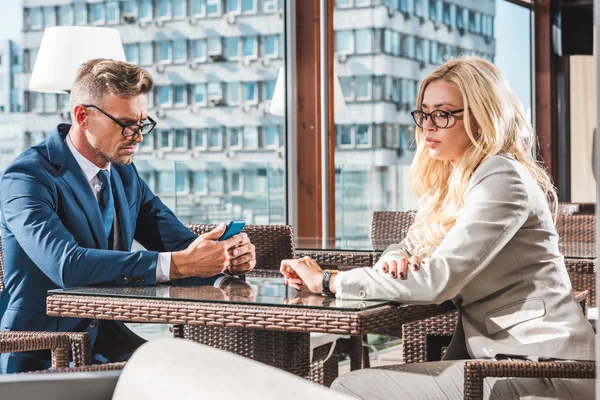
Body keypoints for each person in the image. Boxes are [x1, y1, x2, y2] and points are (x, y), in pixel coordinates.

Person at [280, 56, 595, 399]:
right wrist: (395, 258)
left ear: (481, 118)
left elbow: (437, 282)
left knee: (348, 387)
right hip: (501, 360)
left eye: (443, 114)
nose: (428, 125)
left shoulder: (501, 176)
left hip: (543, 368)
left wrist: (328, 280)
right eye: (424, 113)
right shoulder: (456, 182)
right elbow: (408, 244)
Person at [0, 59, 256, 373]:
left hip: (106, 341)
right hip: (41, 348)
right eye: (126, 124)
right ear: (83, 116)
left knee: (201, 372)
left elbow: (179, 243)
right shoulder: (26, 177)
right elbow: (66, 265)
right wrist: (181, 262)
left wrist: (224, 254)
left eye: (142, 123)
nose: (137, 136)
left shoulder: (124, 174)